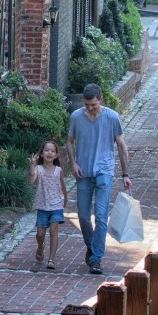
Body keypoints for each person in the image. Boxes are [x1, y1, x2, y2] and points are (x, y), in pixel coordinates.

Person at [67, 83, 131, 275]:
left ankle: (96, 259)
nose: (90, 108)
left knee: (101, 216)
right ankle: (91, 246)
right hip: (83, 172)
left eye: (93, 105)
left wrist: (125, 174)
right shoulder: (76, 117)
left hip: (104, 171)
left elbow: (121, 146)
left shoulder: (112, 117)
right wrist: (73, 163)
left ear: (101, 99)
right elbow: (69, 141)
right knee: (84, 216)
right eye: (87, 105)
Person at [28, 141, 68, 270]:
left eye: (52, 151)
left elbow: (63, 186)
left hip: (56, 205)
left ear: (56, 155)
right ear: (41, 153)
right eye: (46, 150)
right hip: (42, 205)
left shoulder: (59, 170)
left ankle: (51, 259)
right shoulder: (38, 169)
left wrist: (65, 199)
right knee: (40, 234)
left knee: (53, 230)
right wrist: (32, 165)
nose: (49, 153)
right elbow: (31, 179)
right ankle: (40, 247)